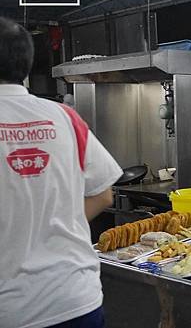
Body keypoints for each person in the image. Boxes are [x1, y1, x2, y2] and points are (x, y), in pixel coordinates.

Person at [0, 17, 123, 327]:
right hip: (76, 299)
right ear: (25, 65)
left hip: (11, 310)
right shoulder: (64, 116)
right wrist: (52, 224)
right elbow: (103, 194)